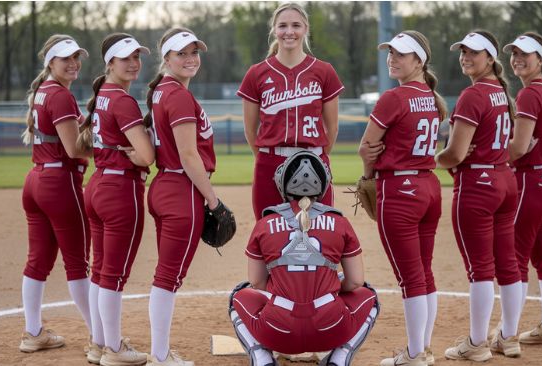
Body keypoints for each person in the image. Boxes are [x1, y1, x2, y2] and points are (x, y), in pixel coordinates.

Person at [229, 151, 379, 366]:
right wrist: (331, 284)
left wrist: (289, 285)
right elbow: (355, 281)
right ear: (323, 183)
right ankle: (339, 358)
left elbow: (257, 282)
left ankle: (262, 359)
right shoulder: (340, 222)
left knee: (238, 294)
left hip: (277, 331)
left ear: (283, 183)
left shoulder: (265, 222)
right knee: (370, 294)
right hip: (331, 328)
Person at [359, 31, 446, 366]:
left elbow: (366, 146)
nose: (392, 59)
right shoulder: (433, 98)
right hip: (428, 187)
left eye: (401, 54)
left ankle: (413, 354)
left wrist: (368, 174)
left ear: (419, 60)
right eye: (390, 53)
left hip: (400, 190)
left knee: (410, 277)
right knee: (424, 271)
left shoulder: (393, 98)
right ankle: (423, 347)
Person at [435, 30, 523, 361]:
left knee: (481, 268)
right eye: (463, 52)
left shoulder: (473, 95)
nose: (466, 57)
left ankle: (476, 343)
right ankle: (510, 337)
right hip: (504, 180)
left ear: (490, 58)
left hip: (478, 185)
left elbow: (455, 154)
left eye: (474, 52)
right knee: (508, 264)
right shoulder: (500, 90)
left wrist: (432, 159)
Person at [144, 27, 222, 366]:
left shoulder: (162, 91)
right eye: (182, 53)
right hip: (182, 190)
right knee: (168, 277)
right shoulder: (177, 95)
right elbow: (189, 156)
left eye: (194, 52)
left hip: (164, 186)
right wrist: (213, 200)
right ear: (167, 58)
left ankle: (161, 352)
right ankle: (160, 355)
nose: (190, 58)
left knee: (166, 274)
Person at [78, 33, 154, 366]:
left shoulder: (103, 95)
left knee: (100, 272)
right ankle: (113, 349)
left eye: (137, 57)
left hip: (97, 187)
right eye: (126, 58)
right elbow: (147, 155)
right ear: (110, 62)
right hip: (120, 190)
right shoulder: (122, 100)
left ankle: (98, 343)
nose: (134, 63)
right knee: (113, 275)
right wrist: (137, 153)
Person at [19, 34, 93, 357]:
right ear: (50, 62)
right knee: (78, 264)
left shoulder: (44, 91)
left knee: (38, 262)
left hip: (36, 181)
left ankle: (33, 332)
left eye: (76, 57)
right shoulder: (60, 96)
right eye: (66, 58)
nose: (74, 63)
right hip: (59, 184)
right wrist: (112, 142)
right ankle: (101, 335)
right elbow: (75, 148)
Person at [237, 2, 344, 220]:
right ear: (274, 30)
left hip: (314, 161)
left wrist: (317, 157)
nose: (289, 32)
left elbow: (332, 128)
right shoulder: (256, 73)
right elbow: (250, 130)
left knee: (318, 236)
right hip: (269, 164)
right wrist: (267, 159)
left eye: (296, 25)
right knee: (269, 234)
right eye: (282, 26)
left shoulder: (324, 71)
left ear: (305, 29)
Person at [504, 32, 542, 346]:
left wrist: (483, 154)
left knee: (513, 257)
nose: (517, 59)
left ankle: (507, 334)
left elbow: (517, 148)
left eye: (525, 54)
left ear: (540, 58)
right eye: (514, 53)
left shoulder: (530, 94)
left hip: (529, 181)